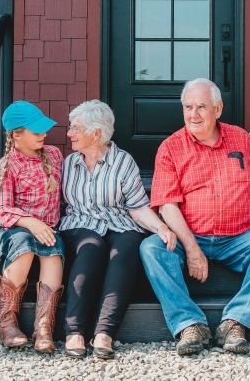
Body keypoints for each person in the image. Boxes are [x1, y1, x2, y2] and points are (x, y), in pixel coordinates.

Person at [139, 78, 250, 356]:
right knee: (151, 248)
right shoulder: (171, 147)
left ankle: (235, 322)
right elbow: (166, 206)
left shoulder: (239, 138)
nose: (193, 114)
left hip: (239, 237)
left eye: (201, 107)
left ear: (218, 109)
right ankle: (190, 324)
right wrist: (192, 248)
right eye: (188, 107)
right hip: (192, 234)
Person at [59, 100, 177, 360]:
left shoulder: (123, 162)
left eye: (75, 128)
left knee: (125, 249)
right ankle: (75, 330)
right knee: (92, 249)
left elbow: (137, 207)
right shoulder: (68, 163)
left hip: (119, 222)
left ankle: (104, 332)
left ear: (97, 133)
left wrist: (161, 227)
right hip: (80, 224)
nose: (69, 134)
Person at [0, 100, 64, 353]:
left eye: (44, 129)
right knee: (24, 245)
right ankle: (7, 323)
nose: (43, 134)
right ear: (16, 134)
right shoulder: (6, 166)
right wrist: (31, 222)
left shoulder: (54, 155)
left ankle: (43, 327)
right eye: (36, 131)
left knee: (53, 252)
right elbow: (4, 209)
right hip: (13, 228)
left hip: (47, 229)